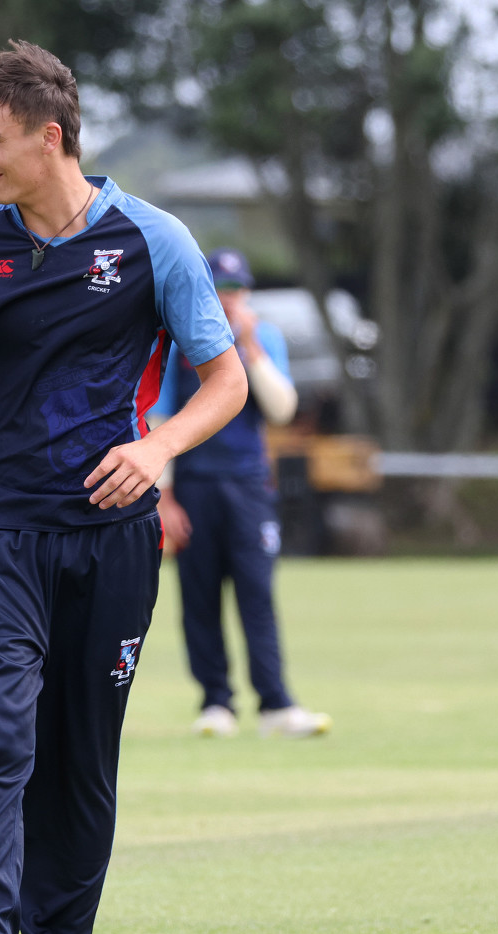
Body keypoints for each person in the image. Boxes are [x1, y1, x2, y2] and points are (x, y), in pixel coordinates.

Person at [0, 41, 248, 934]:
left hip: (113, 542)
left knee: (81, 759)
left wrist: (158, 448)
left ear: (50, 137)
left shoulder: (154, 242)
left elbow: (222, 379)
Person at [150, 248, 332, 740]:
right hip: (193, 487)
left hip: (248, 486)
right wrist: (165, 498)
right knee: (200, 597)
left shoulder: (263, 336)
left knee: (257, 593)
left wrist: (250, 348)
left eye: (237, 289)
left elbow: (281, 410)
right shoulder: (178, 341)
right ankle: (216, 703)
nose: (229, 298)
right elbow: (160, 418)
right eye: (221, 288)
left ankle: (276, 704)